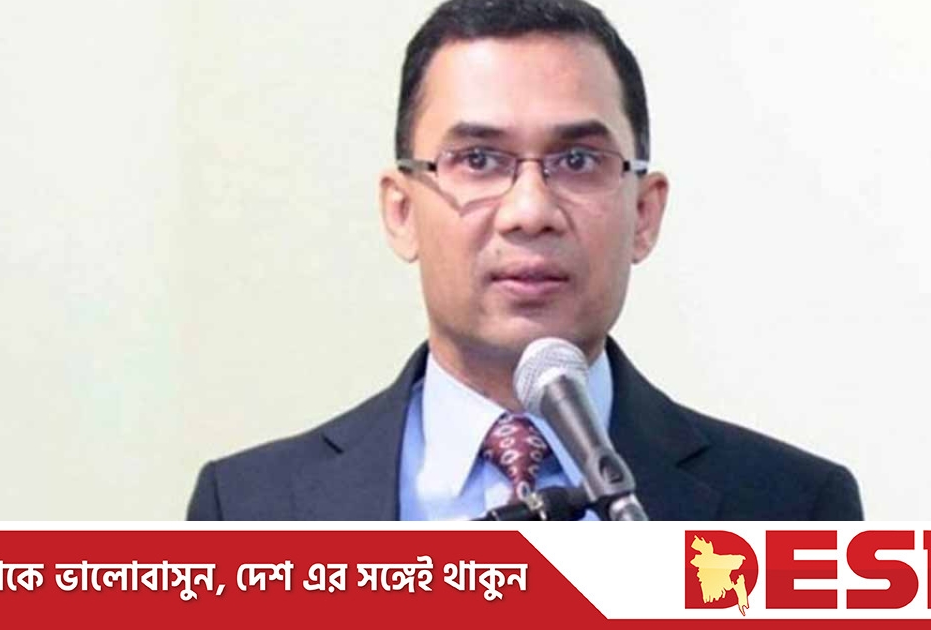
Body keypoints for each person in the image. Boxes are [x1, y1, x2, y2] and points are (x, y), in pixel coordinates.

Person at [187, 0, 863, 521]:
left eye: (579, 161)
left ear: (644, 214)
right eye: (479, 160)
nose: (530, 210)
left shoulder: (791, 508)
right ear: (401, 211)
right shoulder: (248, 510)